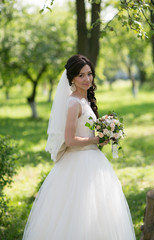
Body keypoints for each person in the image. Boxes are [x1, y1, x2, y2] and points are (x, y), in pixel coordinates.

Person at [22, 55, 136, 240]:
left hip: (93, 160)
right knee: (79, 212)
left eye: (89, 74)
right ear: (72, 78)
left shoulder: (85, 101)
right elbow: (70, 140)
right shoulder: (73, 103)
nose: (87, 79)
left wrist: (106, 131)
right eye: (81, 75)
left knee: (99, 213)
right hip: (79, 162)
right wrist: (96, 140)